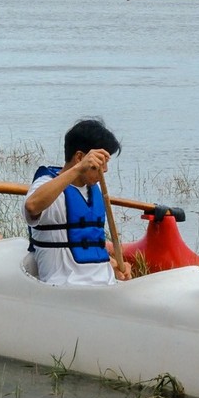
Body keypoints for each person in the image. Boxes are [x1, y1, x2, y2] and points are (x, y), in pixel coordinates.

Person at [23, 118, 131, 285]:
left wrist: (113, 265)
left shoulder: (92, 189)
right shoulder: (45, 184)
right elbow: (32, 206)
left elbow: (88, 242)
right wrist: (79, 169)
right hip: (67, 287)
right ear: (80, 157)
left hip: (105, 284)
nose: (106, 170)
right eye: (101, 162)